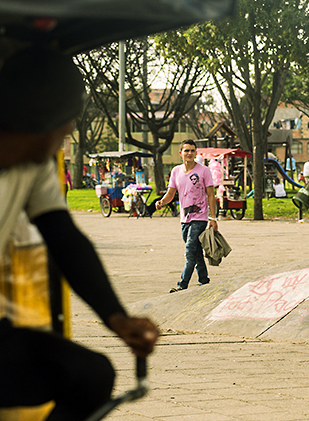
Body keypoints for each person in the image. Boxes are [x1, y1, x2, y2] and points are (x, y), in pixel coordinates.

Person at [0, 46, 158, 421]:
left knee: (90, 375)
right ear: (41, 118)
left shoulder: (32, 164)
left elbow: (63, 237)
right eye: (68, 119)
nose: (71, 129)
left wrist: (116, 318)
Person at [156, 139, 218, 292]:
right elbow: (171, 193)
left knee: (190, 250)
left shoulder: (204, 171)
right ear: (181, 153)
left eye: (192, 151)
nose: (189, 153)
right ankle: (204, 280)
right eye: (186, 151)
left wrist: (213, 218)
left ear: (196, 153)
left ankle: (182, 284)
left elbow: (211, 195)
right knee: (196, 251)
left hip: (200, 218)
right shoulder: (176, 171)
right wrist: (162, 202)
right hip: (184, 218)